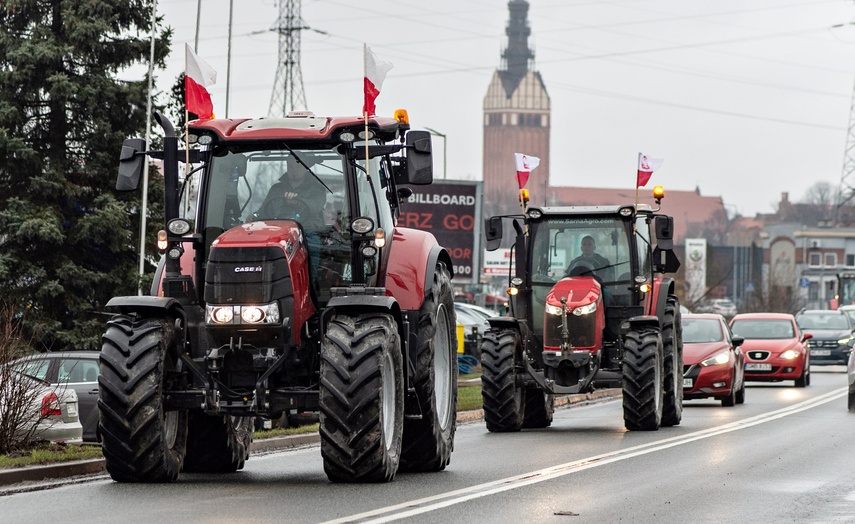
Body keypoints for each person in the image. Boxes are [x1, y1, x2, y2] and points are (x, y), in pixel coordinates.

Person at [257, 153, 326, 230]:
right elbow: (263, 212)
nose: (294, 170)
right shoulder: (276, 189)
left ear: (306, 168)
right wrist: (254, 217)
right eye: (290, 166)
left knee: (314, 240)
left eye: (298, 166)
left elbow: (316, 206)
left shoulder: (317, 189)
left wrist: (296, 202)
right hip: (278, 231)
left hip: (308, 232)